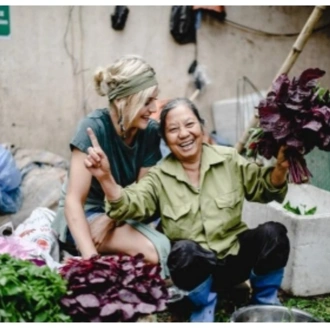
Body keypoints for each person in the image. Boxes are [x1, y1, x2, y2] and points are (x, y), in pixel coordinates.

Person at [83, 97, 290, 322]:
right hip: (196, 272)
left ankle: (264, 301)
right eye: (173, 129)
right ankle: (203, 305)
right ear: (165, 139)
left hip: (234, 258)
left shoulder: (229, 159)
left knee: (274, 233)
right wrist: (105, 178)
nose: (183, 134)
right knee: (184, 252)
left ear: (201, 126)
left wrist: (279, 169)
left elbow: (264, 188)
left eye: (190, 124)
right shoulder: (159, 176)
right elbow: (129, 203)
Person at [51, 55, 171, 278]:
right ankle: (86, 255)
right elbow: (73, 201)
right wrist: (91, 263)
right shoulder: (93, 128)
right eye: (146, 101)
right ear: (122, 100)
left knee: (159, 247)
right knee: (153, 251)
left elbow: (143, 193)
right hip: (86, 213)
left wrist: (110, 219)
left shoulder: (150, 132)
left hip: (124, 210)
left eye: (154, 100)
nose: (153, 108)